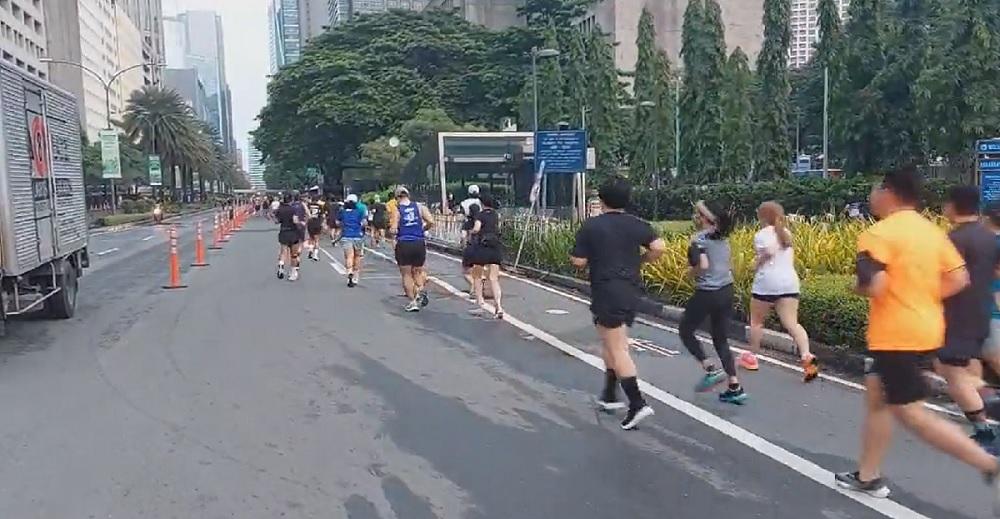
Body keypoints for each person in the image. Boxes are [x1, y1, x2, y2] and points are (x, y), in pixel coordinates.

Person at [836, 166, 1000, 505]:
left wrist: (859, 287)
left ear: (888, 192)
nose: (871, 196)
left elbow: (875, 285)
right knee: (877, 396)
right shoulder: (933, 233)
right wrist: (920, 298)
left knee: (910, 413)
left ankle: (988, 461)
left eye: (875, 189)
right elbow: (958, 280)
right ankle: (867, 475)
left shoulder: (878, 235)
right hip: (927, 328)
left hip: (896, 334)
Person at [570, 177, 666, 430]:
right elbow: (659, 247)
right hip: (630, 289)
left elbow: (578, 261)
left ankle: (637, 403)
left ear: (601, 200)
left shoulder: (592, 227)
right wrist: (641, 260)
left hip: (606, 289)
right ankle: (610, 394)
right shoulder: (637, 224)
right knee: (612, 341)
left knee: (617, 349)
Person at [934, 186, 1000, 449]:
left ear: (953, 206)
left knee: (951, 372)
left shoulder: (953, 240)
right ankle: (985, 400)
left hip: (957, 314)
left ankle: (984, 426)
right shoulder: (989, 238)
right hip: (983, 311)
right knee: (965, 364)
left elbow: (941, 276)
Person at [741, 201, 819, 382]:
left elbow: (766, 254)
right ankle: (807, 356)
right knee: (792, 324)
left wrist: (755, 264)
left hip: (767, 283)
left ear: (762, 216)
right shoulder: (786, 233)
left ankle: (752, 357)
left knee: (757, 322)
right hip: (789, 283)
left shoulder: (761, 235)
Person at [679, 200, 747, 404]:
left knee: (685, 329)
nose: (696, 218)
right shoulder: (724, 239)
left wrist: (691, 274)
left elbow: (703, 265)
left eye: (699, 215)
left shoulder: (699, 239)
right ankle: (734, 386)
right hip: (726, 290)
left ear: (708, 220)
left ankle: (710, 368)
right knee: (720, 338)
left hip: (707, 292)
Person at [390, 187, 435, 312]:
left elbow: (393, 228)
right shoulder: (419, 207)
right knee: (418, 272)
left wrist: (393, 231)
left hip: (404, 242)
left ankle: (413, 301)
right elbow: (431, 221)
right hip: (419, 242)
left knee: (406, 274)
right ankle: (420, 290)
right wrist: (422, 229)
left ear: (397, 198)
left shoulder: (397, 209)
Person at [468, 194, 504, 319]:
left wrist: (471, 232)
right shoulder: (496, 214)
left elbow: (477, 229)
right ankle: (498, 307)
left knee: (477, 276)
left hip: (483, 248)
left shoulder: (480, 215)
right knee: (493, 278)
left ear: (482, 203)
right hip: (495, 247)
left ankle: (480, 304)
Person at [338, 194, 367, 287]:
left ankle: (349, 272)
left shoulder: (342, 212)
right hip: (358, 236)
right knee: (357, 256)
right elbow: (364, 223)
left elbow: (337, 222)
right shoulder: (359, 212)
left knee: (349, 257)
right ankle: (355, 276)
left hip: (346, 235)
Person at [459, 185, 483, 295]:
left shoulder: (464, 203)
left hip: (470, 245)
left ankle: (474, 285)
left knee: (466, 269)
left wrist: (462, 245)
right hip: (481, 243)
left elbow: (463, 236)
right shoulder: (481, 203)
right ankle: (479, 280)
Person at [274, 193, 302, 281]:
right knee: (294, 254)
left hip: (283, 232)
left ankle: (281, 265)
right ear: (291, 200)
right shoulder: (293, 209)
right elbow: (295, 220)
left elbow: (277, 221)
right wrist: (300, 224)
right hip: (293, 232)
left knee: (283, 251)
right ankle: (293, 273)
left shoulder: (280, 209)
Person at [305, 189, 328, 261]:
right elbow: (324, 215)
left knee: (311, 238)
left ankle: (310, 250)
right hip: (318, 222)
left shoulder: (309, 205)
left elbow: (306, 214)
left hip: (310, 222)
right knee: (317, 239)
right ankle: (315, 254)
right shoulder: (321, 205)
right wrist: (324, 223)